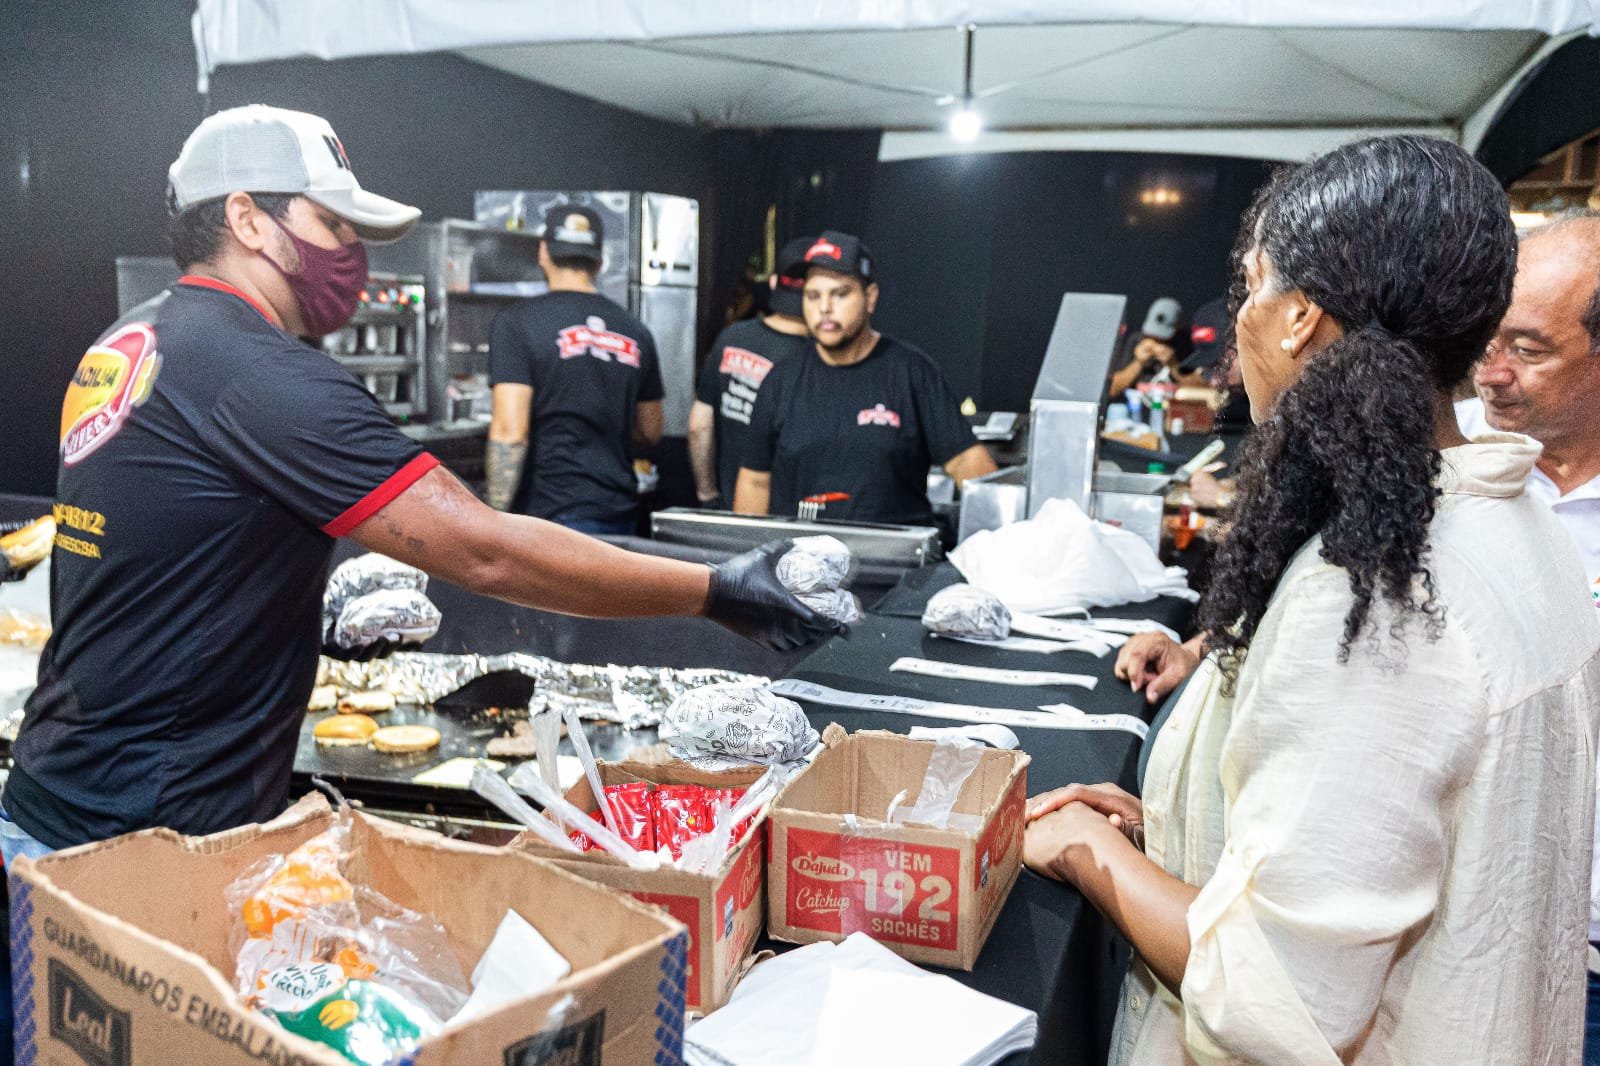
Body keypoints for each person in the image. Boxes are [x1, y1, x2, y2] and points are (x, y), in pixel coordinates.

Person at [1, 105, 834, 865]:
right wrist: (717, 590)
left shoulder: (138, 335)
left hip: (63, 798)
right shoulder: (258, 371)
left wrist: (285, 609)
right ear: (248, 218)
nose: (349, 254)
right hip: (134, 845)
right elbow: (486, 553)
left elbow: (160, 543)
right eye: (330, 223)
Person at [1025, 136, 1600, 1063]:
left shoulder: (1379, 598)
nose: (1241, 320)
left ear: (1298, 317)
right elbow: (1385, 833)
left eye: (1251, 288)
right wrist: (1171, 825)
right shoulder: (1515, 528)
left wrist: (1093, 857)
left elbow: (1280, 997)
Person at [732, 231, 997, 524]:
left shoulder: (912, 372)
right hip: (800, 563)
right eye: (813, 295)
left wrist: (997, 550)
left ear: (870, 298)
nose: (824, 308)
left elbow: (968, 462)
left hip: (895, 562)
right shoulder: (781, 380)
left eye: (840, 293)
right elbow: (755, 480)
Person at [486, 202, 662, 534]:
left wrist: (493, 522)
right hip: (619, 513)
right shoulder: (635, 330)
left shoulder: (516, 324)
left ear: (543, 252)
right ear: (599, 260)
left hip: (548, 519)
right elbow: (651, 429)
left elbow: (511, 432)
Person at [689, 236, 815, 508]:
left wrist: (708, 495)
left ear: (772, 283)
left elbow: (699, 426)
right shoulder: (819, 358)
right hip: (795, 519)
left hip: (731, 510)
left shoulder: (732, 338)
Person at [1108, 297, 1194, 395]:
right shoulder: (1136, 341)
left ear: (1178, 326)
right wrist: (1138, 362)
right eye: (1152, 335)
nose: (1157, 340)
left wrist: (1173, 364)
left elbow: (1200, 389)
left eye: (1162, 336)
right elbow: (1111, 390)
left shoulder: (1185, 342)